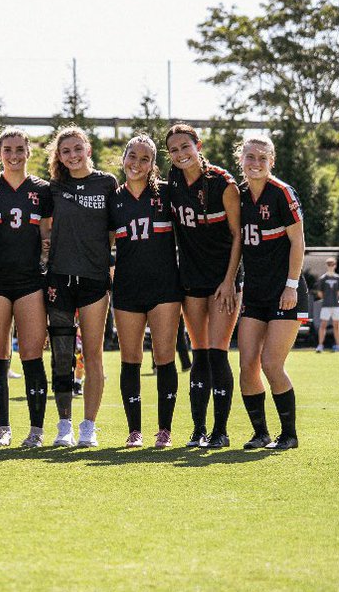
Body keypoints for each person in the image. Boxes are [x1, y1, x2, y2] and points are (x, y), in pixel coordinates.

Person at [165, 123, 242, 448]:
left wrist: (228, 281)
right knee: (199, 353)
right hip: (191, 280)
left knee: (217, 353)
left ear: (198, 145)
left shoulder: (223, 184)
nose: (181, 154)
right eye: (174, 149)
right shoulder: (171, 181)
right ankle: (198, 430)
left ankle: (220, 432)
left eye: (186, 146)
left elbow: (238, 235)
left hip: (222, 281)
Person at [0, 128, 52, 447]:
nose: (14, 154)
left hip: (30, 282)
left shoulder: (42, 189)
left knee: (33, 356)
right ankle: (3, 428)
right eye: (7, 149)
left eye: (20, 148)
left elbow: (48, 235)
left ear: (29, 151)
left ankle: (36, 430)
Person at [44, 126, 117, 447]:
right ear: (59, 157)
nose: (72, 155)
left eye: (77, 148)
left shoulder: (107, 184)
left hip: (93, 280)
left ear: (88, 149)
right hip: (59, 279)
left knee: (92, 353)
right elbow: (44, 231)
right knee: (62, 356)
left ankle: (89, 426)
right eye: (65, 151)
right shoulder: (54, 188)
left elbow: (114, 233)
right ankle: (64, 426)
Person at [109, 136, 184, 448]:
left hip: (165, 287)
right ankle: (134, 430)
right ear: (124, 157)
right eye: (132, 156)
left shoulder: (166, 194)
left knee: (165, 356)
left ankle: (164, 430)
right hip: (127, 288)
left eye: (144, 159)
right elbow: (103, 241)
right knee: (131, 358)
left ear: (153, 164)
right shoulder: (113, 199)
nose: (136, 164)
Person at [236, 136, 305, 450]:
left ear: (271, 162)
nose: (255, 163)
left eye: (262, 158)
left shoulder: (281, 193)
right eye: (250, 157)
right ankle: (260, 433)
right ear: (241, 160)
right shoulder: (237, 195)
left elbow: (298, 242)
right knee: (247, 363)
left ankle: (288, 435)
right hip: (255, 293)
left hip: (285, 292)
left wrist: (291, 285)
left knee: (271, 363)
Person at [315, 257, 339, 352]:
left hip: (336, 305)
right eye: (329, 264)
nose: (331, 266)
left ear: (335, 266)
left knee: (337, 325)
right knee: (323, 325)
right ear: (327, 266)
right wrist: (327, 299)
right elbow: (319, 293)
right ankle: (320, 346)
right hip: (326, 305)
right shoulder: (323, 278)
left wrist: (333, 299)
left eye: (332, 264)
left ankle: (338, 345)